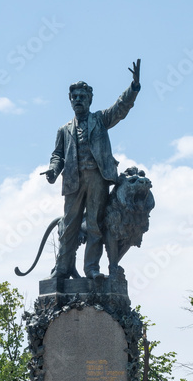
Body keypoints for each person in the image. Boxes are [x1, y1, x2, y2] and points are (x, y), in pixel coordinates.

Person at [44, 59, 141, 281]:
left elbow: (120, 108)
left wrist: (134, 87)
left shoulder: (100, 120)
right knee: (69, 226)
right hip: (73, 180)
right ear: (70, 100)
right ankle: (61, 268)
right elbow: (57, 155)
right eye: (75, 97)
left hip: (97, 178)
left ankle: (91, 269)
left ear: (90, 100)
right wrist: (53, 170)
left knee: (95, 225)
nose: (78, 100)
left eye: (82, 96)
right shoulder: (64, 130)